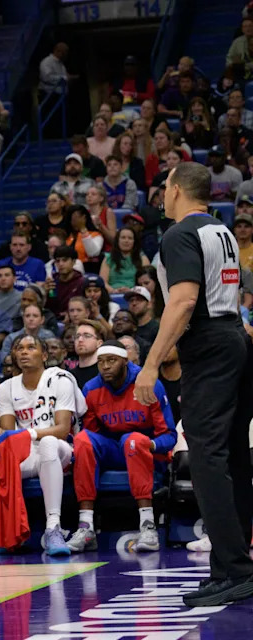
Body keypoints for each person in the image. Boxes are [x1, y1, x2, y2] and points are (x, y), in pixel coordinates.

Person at [134, 162, 253, 606]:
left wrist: (150, 364)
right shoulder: (221, 230)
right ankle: (229, 568)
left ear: (179, 189)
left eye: (165, 186)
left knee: (206, 458)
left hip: (208, 344)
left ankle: (235, 569)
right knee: (233, 456)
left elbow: (183, 301)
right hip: (234, 338)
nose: (162, 194)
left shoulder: (178, 234)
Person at [0, 334, 85, 555]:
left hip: (59, 449)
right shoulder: (6, 388)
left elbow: (62, 429)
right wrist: (3, 433)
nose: (24, 352)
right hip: (26, 451)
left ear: (44, 355)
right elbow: (8, 434)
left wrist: (27, 434)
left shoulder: (60, 380)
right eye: (19, 348)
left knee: (48, 442)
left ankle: (53, 527)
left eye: (31, 348)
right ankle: (5, 527)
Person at [68, 341, 174, 554]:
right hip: (113, 451)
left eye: (111, 361)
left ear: (125, 362)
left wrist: (150, 444)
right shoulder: (92, 389)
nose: (105, 366)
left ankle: (147, 526)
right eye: (101, 362)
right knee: (82, 441)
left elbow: (169, 435)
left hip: (144, 451)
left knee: (132, 439)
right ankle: (86, 526)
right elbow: (92, 436)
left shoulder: (148, 383)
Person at [101, 227, 149, 294]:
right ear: (118, 240)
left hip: (136, 294)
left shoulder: (143, 259)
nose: (126, 241)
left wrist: (132, 291)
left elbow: (147, 282)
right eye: (123, 237)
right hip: (112, 294)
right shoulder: (108, 258)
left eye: (130, 238)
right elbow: (103, 282)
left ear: (134, 241)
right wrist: (114, 291)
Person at [46, 245, 85, 319]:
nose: (60, 264)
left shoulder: (81, 282)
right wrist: (45, 293)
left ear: (73, 262)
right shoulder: (52, 282)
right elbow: (48, 307)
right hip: (53, 320)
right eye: (58, 261)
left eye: (64, 260)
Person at [71, 319, 106, 389]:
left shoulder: (105, 373)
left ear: (99, 343)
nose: (80, 340)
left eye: (87, 336)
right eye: (77, 336)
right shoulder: (70, 376)